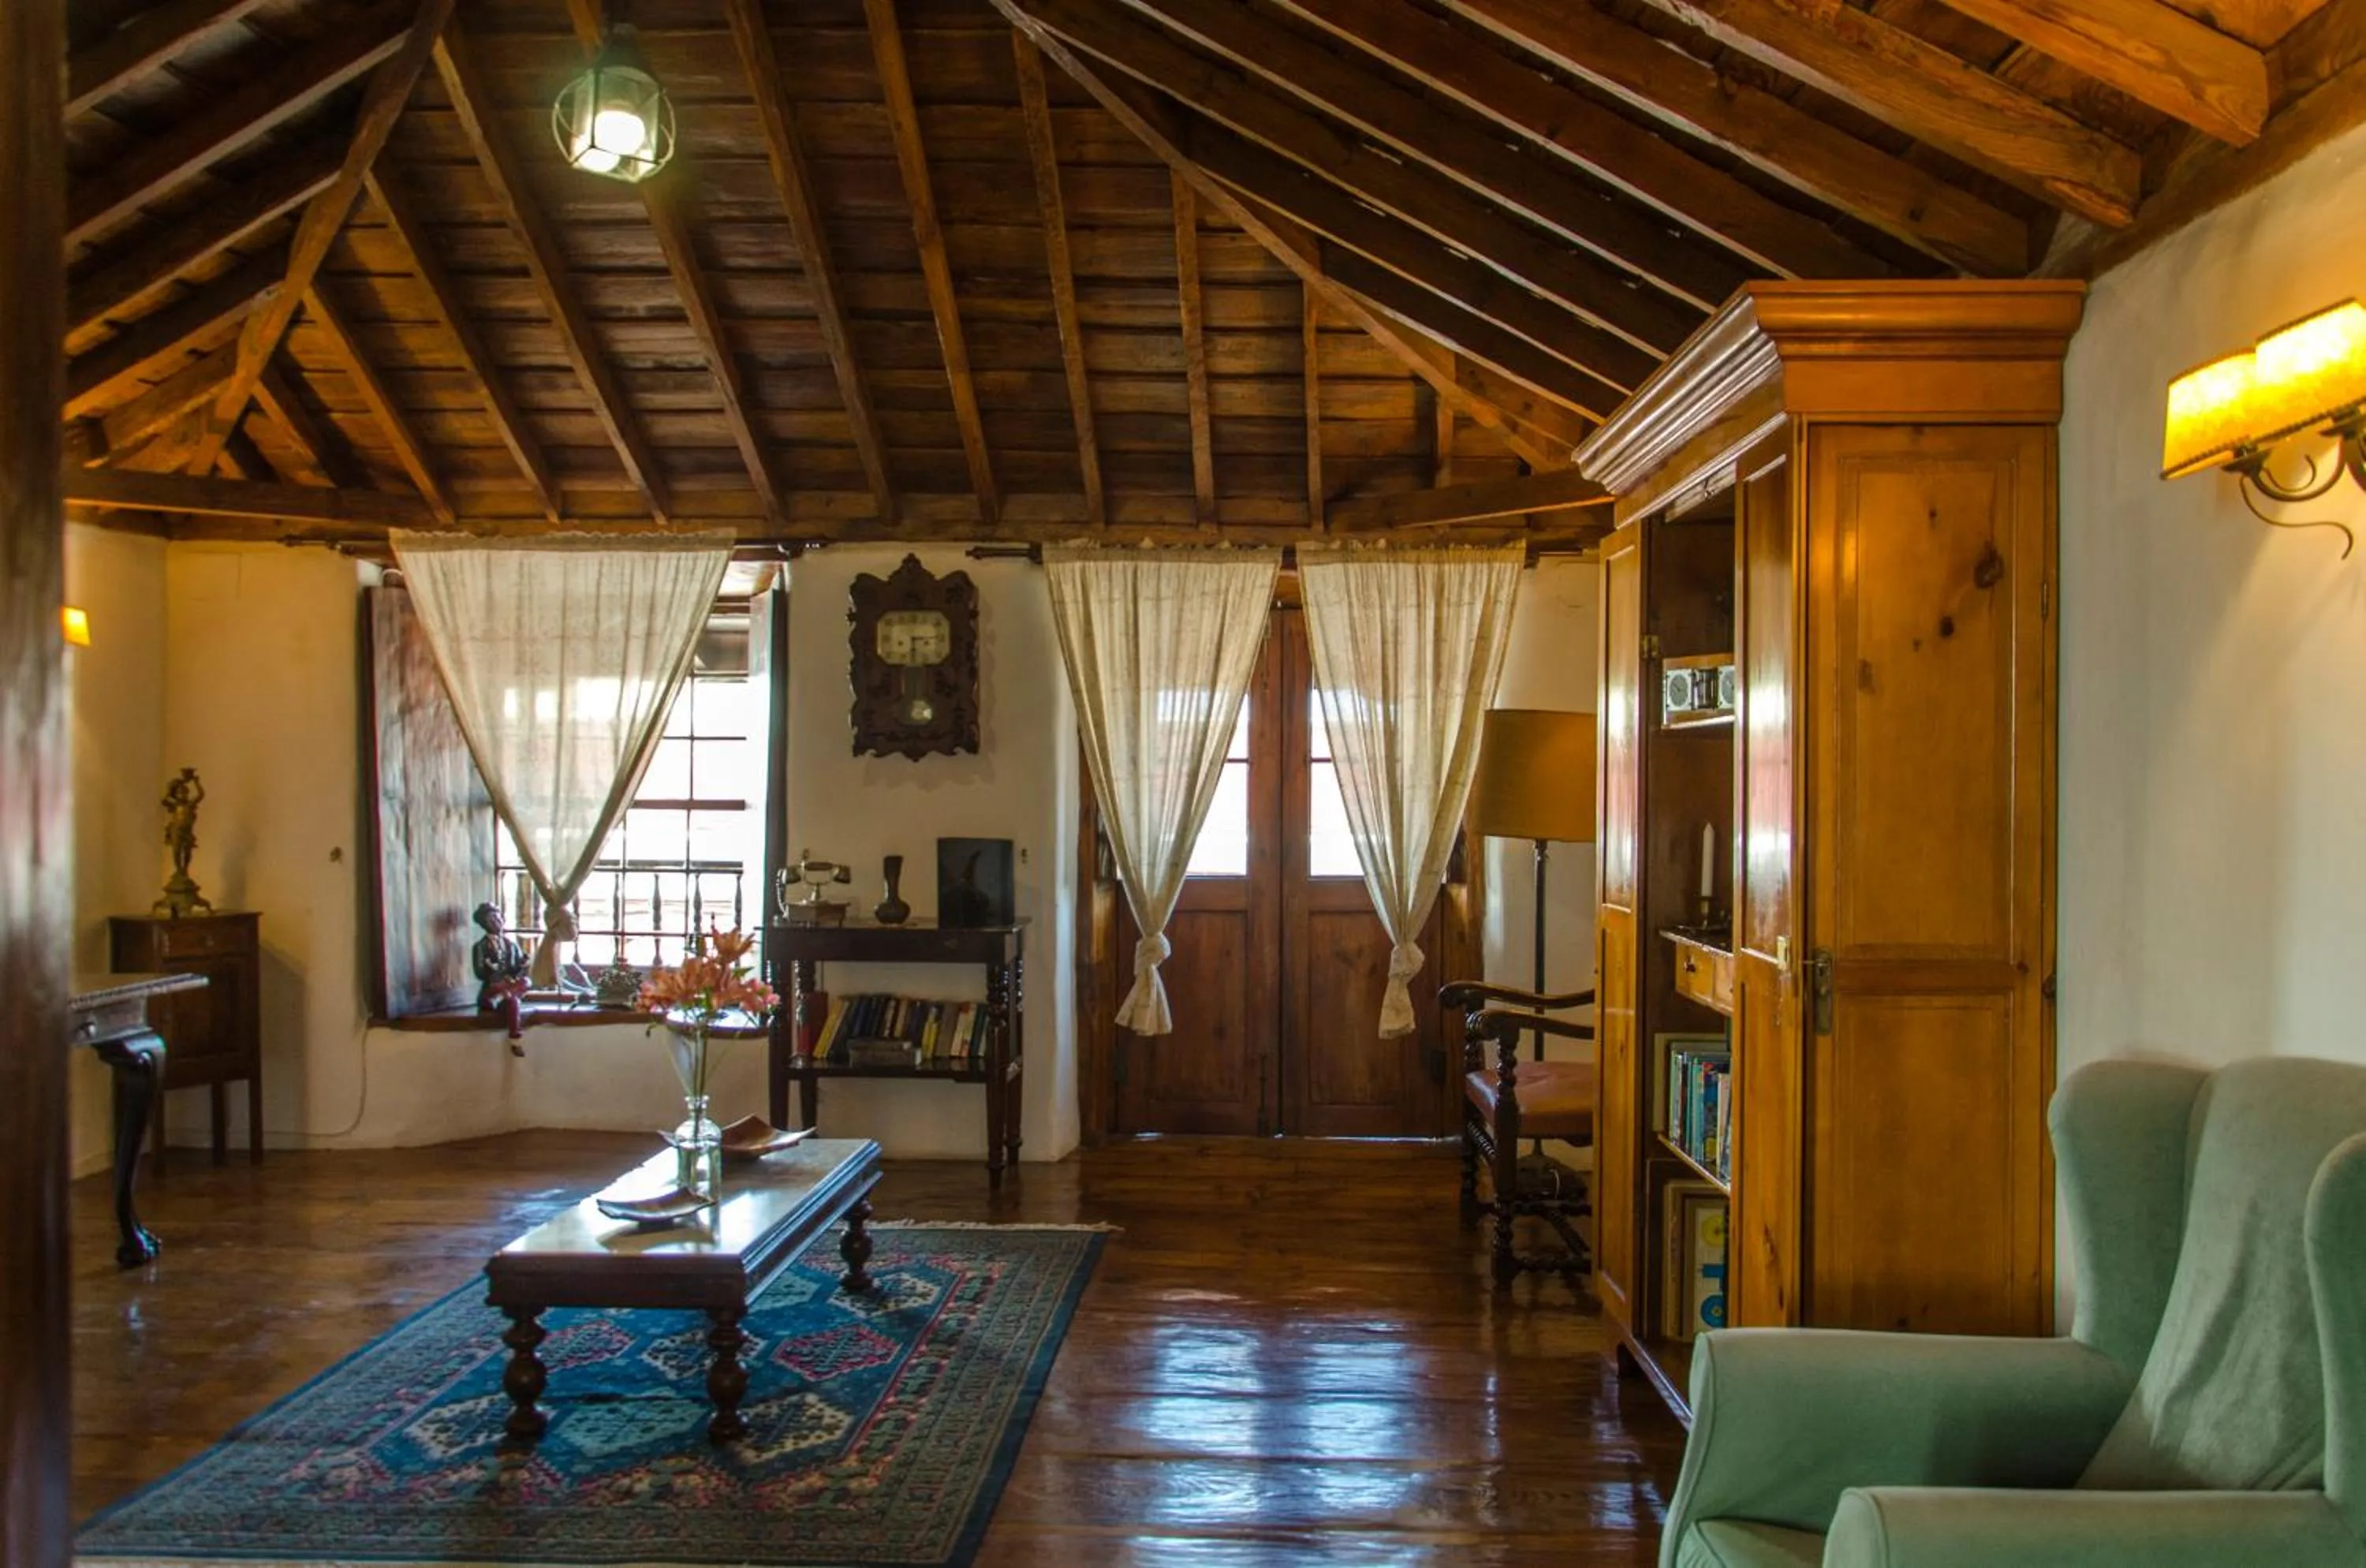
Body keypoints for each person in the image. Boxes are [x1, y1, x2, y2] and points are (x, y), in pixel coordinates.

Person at [472, 902, 531, 1040]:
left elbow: (515, 971)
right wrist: (496, 976)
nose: (496, 921)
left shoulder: (512, 945)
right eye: (491, 919)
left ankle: (503, 997)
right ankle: (515, 1037)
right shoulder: (480, 947)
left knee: (526, 982)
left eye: (497, 917)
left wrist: (522, 965)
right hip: (493, 988)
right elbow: (479, 972)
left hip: (508, 988)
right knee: (512, 999)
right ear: (484, 924)